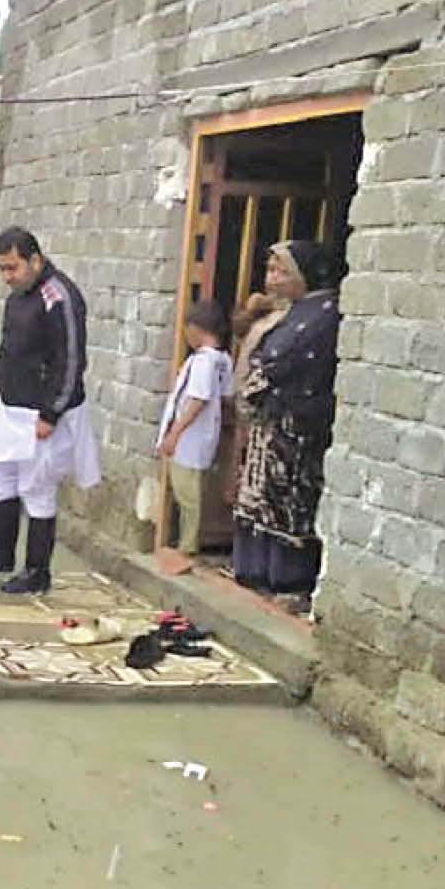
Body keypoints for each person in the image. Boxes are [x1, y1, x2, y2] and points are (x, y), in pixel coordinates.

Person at [0, 227, 102, 594]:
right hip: (11, 406)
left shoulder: (60, 298)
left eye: (12, 268)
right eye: (2, 269)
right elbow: (13, 342)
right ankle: (0, 552)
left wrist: (51, 414)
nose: (7, 276)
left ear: (35, 260)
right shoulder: (20, 295)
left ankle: (37, 571)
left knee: (37, 487)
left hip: (43, 412)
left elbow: (71, 361)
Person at [232, 240, 348, 613]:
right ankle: (255, 573)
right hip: (270, 422)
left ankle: (288, 581)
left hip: (295, 428)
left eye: (283, 271)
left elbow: (277, 362)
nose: (274, 278)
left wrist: (252, 390)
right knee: (260, 497)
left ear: (306, 275)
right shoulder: (295, 311)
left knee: (285, 502)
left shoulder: (321, 316)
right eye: (272, 270)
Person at [155, 300, 234, 555]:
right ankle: (188, 542)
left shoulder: (202, 361)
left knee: (186, 493)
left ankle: (187, 545)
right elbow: (225, 398)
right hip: (205, 435)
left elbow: (198, 400)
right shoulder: (223, 360)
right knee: (194, 489)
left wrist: (173, 434)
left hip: (189, 438)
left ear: (198, 329)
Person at [225, 291, 289, 506]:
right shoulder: (274, 324)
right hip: (257, 414)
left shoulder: (265, 324)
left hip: (251, 411)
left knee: (244, 481)